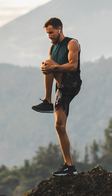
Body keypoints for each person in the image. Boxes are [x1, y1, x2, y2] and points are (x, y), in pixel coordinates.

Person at [31, 17, 82, 176]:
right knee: (59, 126)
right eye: (47, 33)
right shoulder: (52, 48)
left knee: (48, 64)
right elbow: (52, 69)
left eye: (51, 32)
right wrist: (50, 68)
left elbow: (73, 66)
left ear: (59, 29)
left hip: (71, 83)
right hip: (60, 87)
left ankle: (47, 101)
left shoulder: (71, 43)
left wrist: (54, 67)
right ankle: (69, 166)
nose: (49, 36)